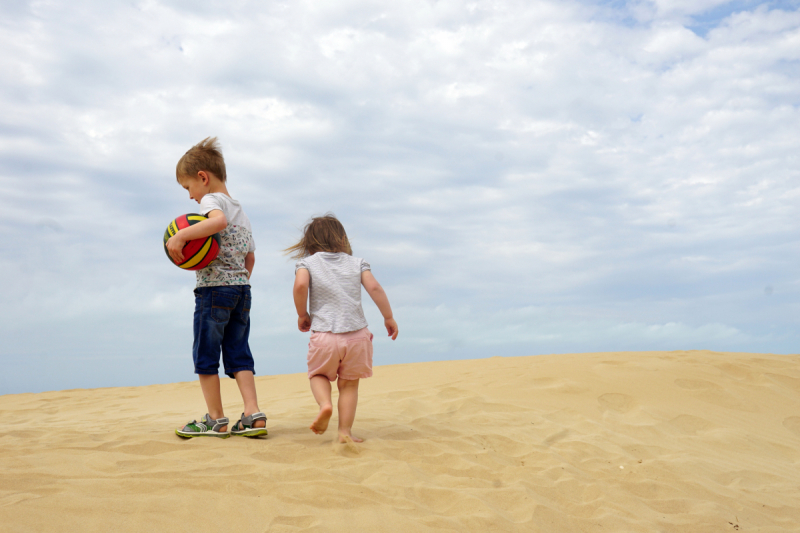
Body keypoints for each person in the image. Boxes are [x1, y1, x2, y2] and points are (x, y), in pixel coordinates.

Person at [166, 137, 267, 438]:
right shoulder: (243, 213)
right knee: (238, 351)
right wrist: (241, 281)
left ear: (203, 178)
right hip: (241, 291)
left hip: (213, 291)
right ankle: (252, 413)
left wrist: (181, 237)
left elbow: (218, 222)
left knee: (205, 354)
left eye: (188, 188)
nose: (190, 197)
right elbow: (250, 256)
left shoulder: (213, 202)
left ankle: (215, 418)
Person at [287, 214, 398, 443]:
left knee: (318, 374)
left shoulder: (307, 263)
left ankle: (325, 404)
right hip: (357, 336)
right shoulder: (357, 263)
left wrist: (302, 314)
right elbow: (375, 288)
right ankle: (344, 432)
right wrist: (388, 317)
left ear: (309, 243)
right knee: (349, 386)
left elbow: (300, 285)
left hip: (325, 336)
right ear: (342, 238)